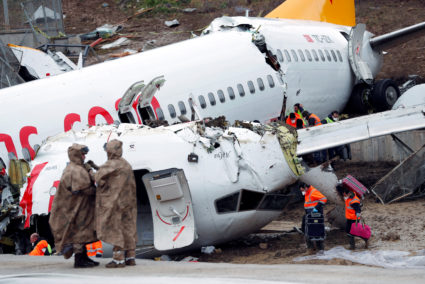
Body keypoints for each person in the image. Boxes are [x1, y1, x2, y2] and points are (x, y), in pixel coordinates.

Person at [49, 143, 99, 268]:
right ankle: (79, 260)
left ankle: (84, 257)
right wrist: (98, 191)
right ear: (76, 155)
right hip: (76, 209)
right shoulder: (75, 170)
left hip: (81, 207)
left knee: (84, 233)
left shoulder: (77, 168)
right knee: (79, 234)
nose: (84, 157)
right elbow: (85, 189)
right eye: (82, 154)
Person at [95, 139, 137, 268]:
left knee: (116, 230)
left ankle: (118, 259)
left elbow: (98, 177)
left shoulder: (111, 164)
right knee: (128, 229)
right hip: (128, 203)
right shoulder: (126, 164)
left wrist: (90, 170)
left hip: (116, 203)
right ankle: (130, 257)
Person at [338, 186, 368, 250]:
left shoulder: (354, 201)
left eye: (344, 194)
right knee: (348, 231)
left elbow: (358, 209)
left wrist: (358, 213)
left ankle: (356, 244)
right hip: (349, 218)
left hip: (354, 219)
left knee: (352, 233)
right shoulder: (350, 196)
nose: (344, 195)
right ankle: (353, 245)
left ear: (348, 193)